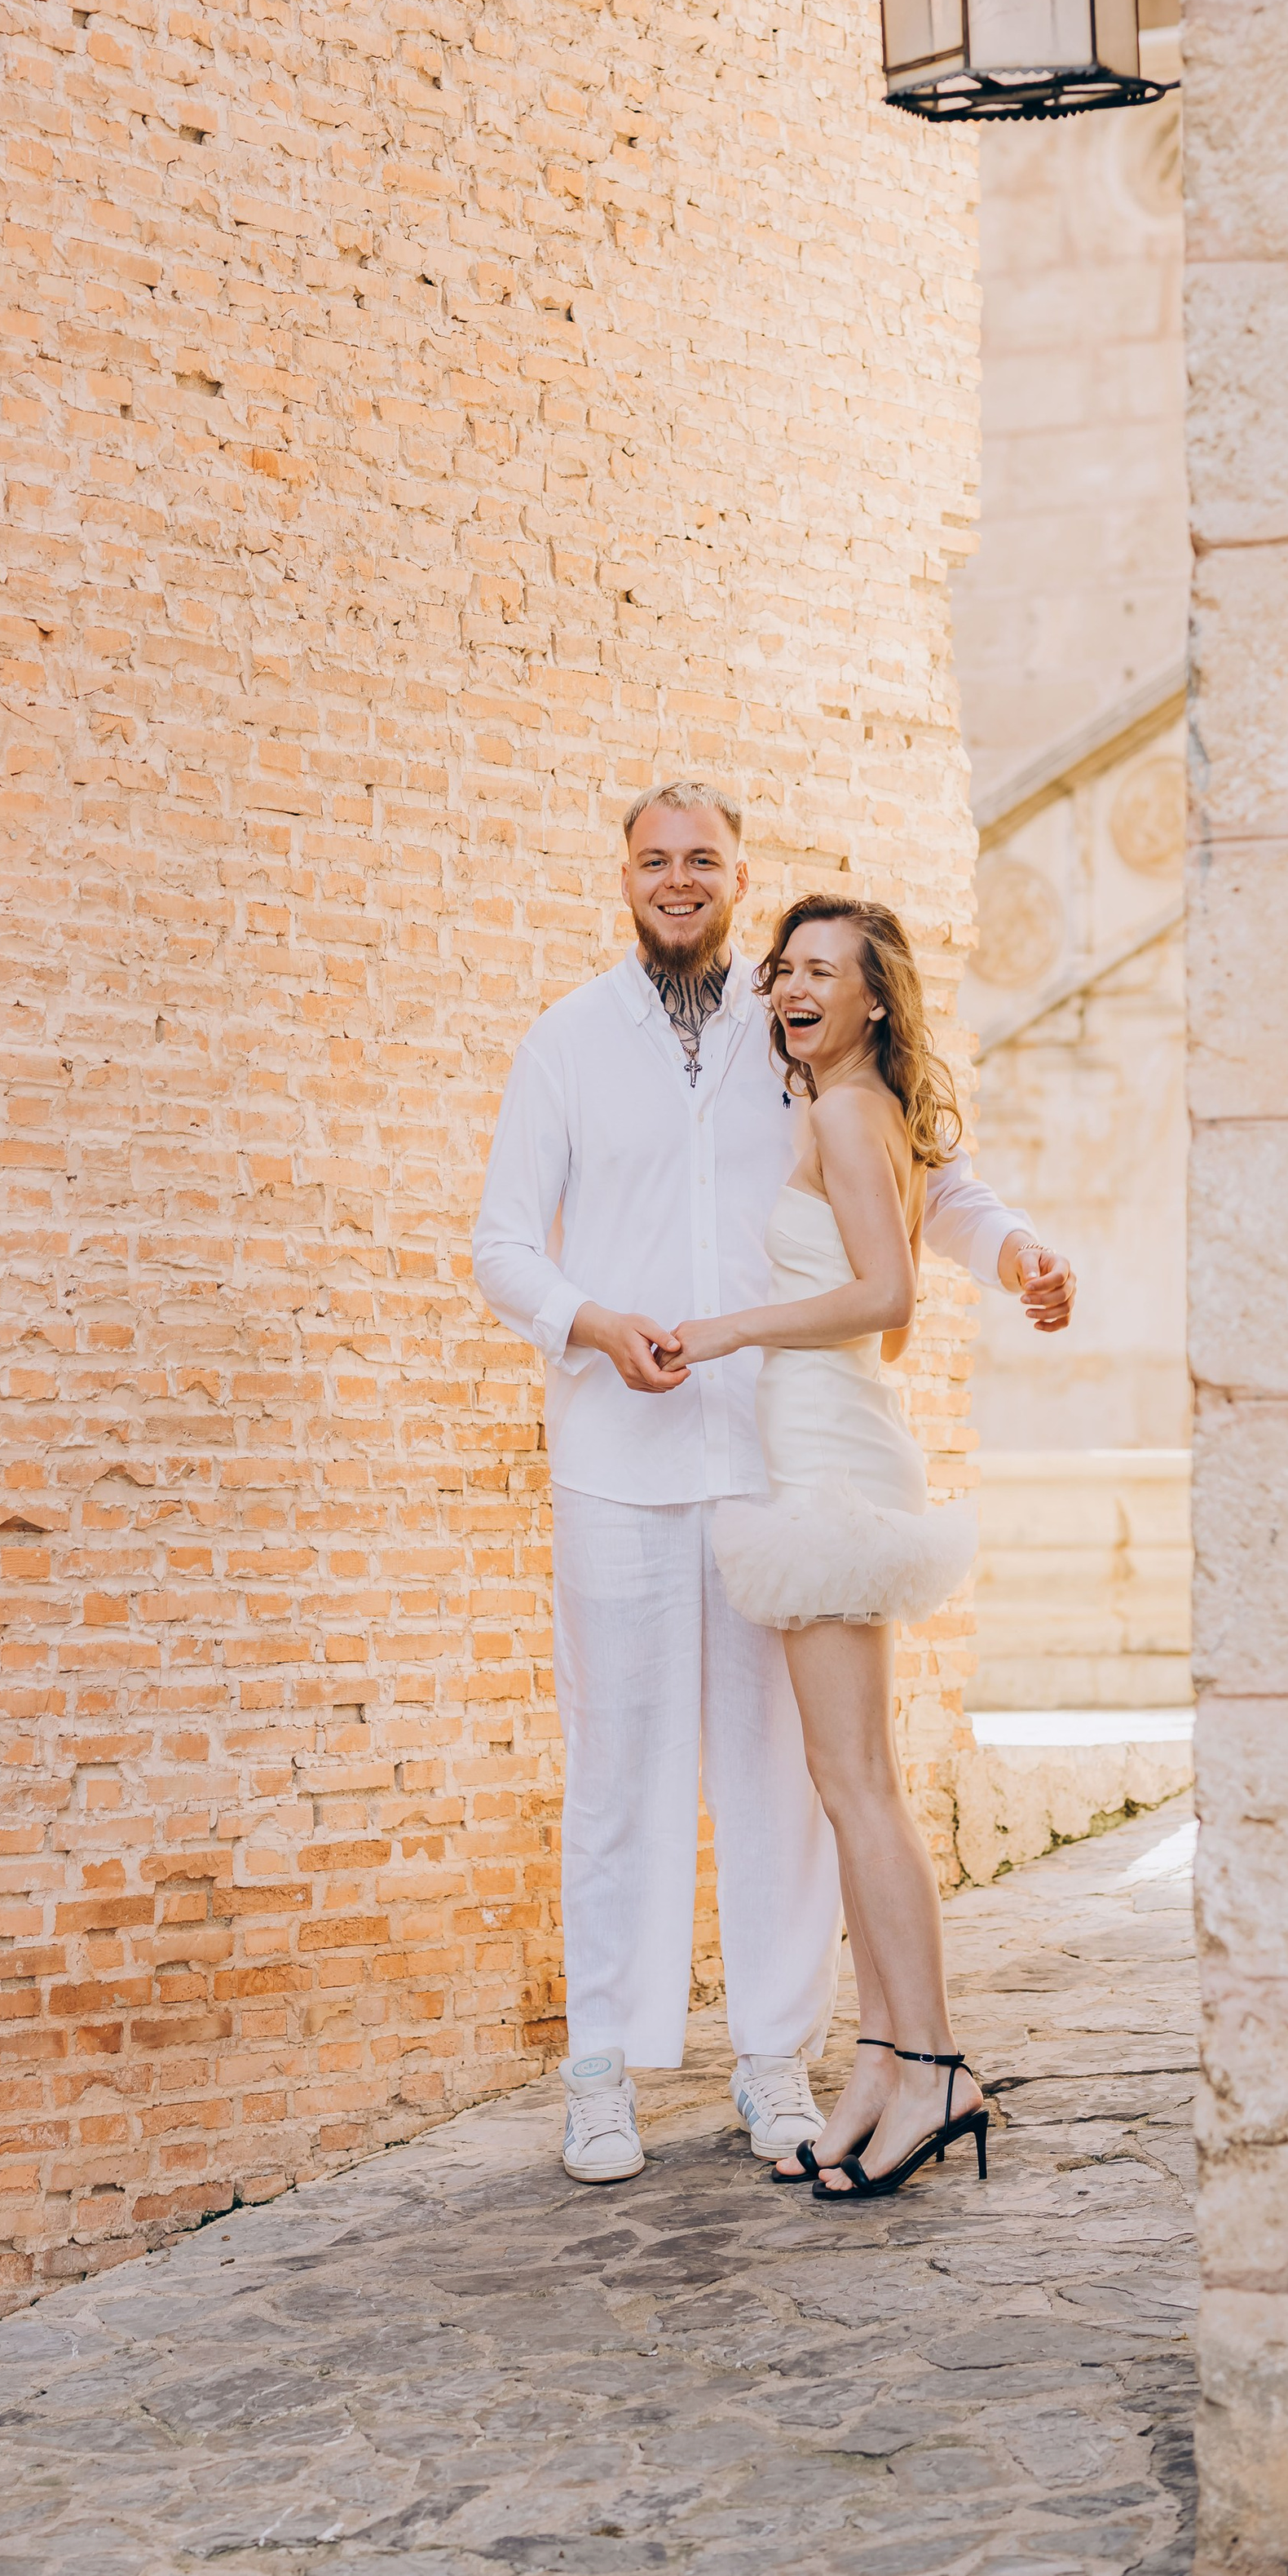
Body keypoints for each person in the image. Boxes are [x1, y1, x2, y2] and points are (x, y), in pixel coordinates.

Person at [471, 783, 1074, 2186]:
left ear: (739, 876)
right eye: (654, 860)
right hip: (616, 1460)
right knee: (616, 1772)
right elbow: (503, 1245)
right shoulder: (565, 1042)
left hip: (769, 1454)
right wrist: (595, 1323)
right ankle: (603, 2074)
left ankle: (775, 2063)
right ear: (624, 875)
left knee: (784, 1784)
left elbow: (933, 1172)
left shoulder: (795, 1022)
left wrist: (1020, 1253)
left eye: (704, 860)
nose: (679, 880)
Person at [672, 894, 997, 2196]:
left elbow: (888, 1295)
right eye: (784, 969)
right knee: (851, 1781)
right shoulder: (842, 1110)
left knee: (858, 1786)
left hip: (829, 1466)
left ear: (874, 1000)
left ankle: (930, 2068)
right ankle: (885, 2060)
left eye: (824, 971)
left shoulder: (854, 1115)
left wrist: (734, 1328)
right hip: (822, 1447)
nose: (794, 987)